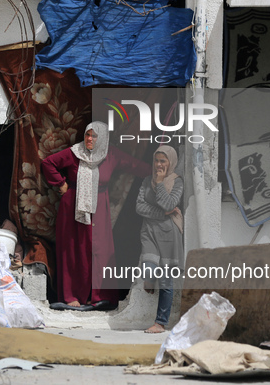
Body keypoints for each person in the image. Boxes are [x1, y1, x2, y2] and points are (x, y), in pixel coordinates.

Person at [41, 121, 150, 311]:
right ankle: (71, 296)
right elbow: (48, 163)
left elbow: (135, 165)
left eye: (94, 136)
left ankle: (101, 296)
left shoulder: (111, 154)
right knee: (73, 250)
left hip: (99, 208)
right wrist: (60, 183)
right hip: (73, 208)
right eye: (87, 135)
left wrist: (159, 173)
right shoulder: (75, 153)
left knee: (101, 250)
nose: (90, 139)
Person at [136, 145, 184, 333]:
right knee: (148, 268)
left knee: (166, 279)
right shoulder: (147, 181)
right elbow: (139, 207)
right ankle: (149, 279)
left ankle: (160, 323)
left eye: (163, 161)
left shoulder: (177, 182)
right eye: (156, 160)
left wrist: (161, 182)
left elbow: (169, 202)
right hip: (149, 231)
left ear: (170, 162)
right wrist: (162, 213)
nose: (158, 164)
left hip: (169, 235)